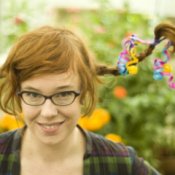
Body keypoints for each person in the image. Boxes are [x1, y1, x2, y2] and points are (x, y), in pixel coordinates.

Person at [1, 22, 173, 175]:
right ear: (18, 94)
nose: (48, 112)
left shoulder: (121, 164)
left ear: (83, 93)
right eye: (33, 94)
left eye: (63, 94)